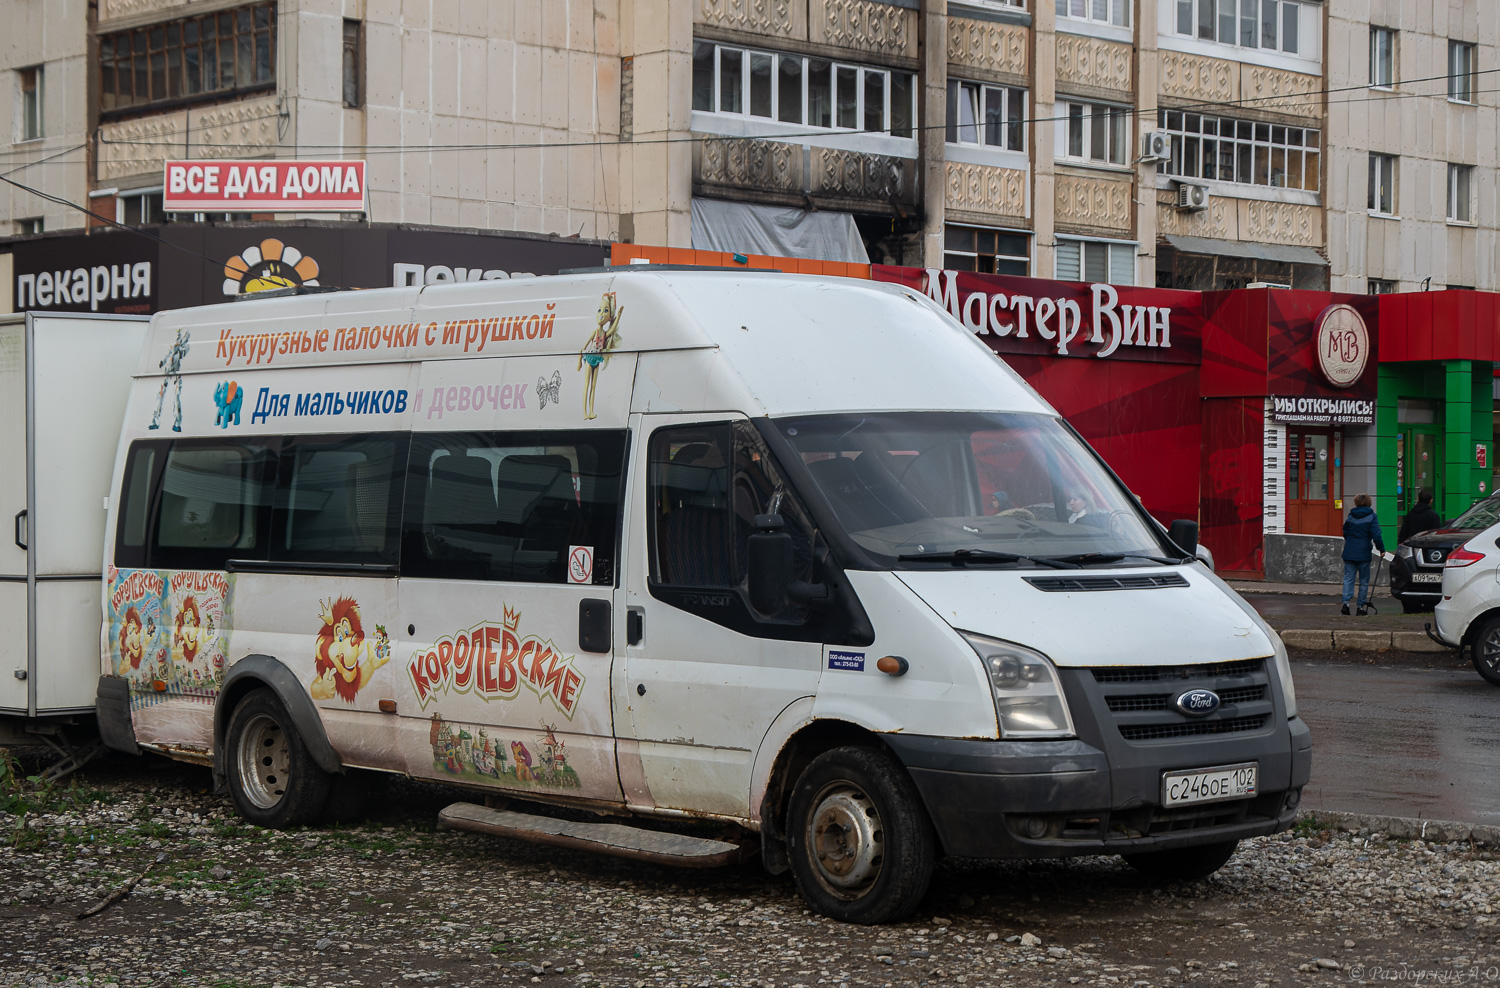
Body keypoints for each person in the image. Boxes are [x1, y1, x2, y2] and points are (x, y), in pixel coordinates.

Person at [1341, 493, 1386, 616]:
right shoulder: (1372, 517)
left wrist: (1350, 541)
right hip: (1364, 551)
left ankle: (1346, 603)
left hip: (1350, 550)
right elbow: (1376, 534)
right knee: (1364, 581)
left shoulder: (1351, 516)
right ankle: (1360, 607)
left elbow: (1345, 531)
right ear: (1368, 502)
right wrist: (1381, 549)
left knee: (1348, 578)